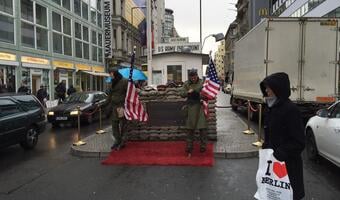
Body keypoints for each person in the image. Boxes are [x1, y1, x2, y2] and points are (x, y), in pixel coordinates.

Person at [260, 72, 305, 200]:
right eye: (266, 87)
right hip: (272, 164)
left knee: (288, 195)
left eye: (269, 87)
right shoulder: (271, 107)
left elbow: (299, 142)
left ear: (278, 88)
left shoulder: (291, 110)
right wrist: (266, 149)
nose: (266, 90)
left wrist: (280, 153)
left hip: (288, 166)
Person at [180, 69, 208, 155]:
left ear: (197, 75)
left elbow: (205, 93)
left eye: (194, 76)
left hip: (200, 107)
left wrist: (196, 93)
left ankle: (203, 146)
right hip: (191, 107)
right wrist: (188, 92)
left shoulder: (201, 82)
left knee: (202, 128)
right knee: (189, 129)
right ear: (189, 77)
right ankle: (189, 146)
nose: (193, 78)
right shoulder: (186, 83)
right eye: (191, 77)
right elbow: (181, 93)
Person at [107, 67, 128, 150]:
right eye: (109, 73)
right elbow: (109, 96)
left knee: (123, 125)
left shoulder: (124, 81)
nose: (110, 75)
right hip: (113, 107)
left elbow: (128, 94)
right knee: (114, 125)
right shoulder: (111, 82)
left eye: (111, 73)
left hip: (121, 106)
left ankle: (122, 141)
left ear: (115, 73)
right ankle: (117, 140)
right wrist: (104, 104)